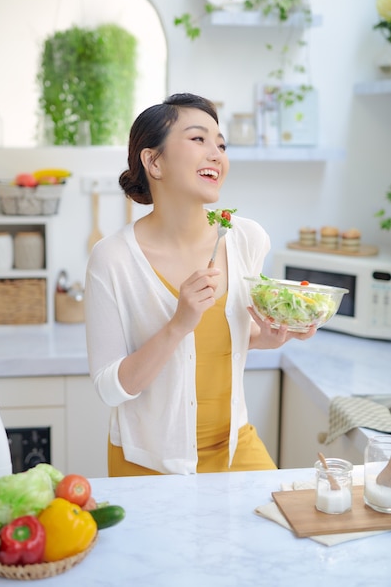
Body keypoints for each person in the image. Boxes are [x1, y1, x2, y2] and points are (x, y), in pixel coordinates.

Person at [85, 92, 316, 477]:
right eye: (198, 139)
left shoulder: (246, 238)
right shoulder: (112, 258)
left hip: (235, 447)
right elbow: (110, 389)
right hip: (148, 460)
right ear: (154, 161)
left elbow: (222, 338)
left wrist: (265, 337)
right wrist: (179, 323)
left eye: (221, 144)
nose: (217, 154)